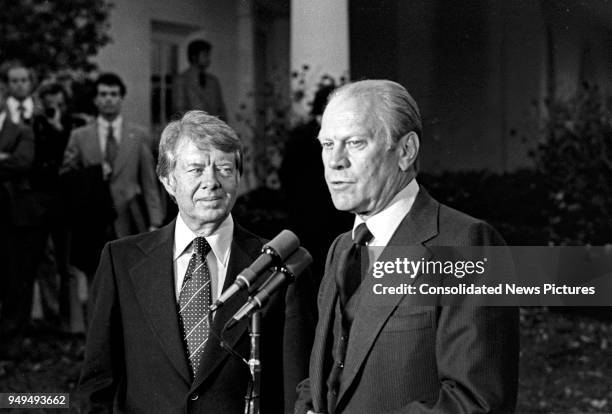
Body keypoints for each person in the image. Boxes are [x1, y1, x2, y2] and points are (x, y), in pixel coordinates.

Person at [295, 80, 519, 414]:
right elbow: (324, 376)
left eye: (355, 143)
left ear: (405, 151)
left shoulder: (466, 244)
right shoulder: (340, 248)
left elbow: (477, 402)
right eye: (327, 144)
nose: (335, 161)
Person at [79, 110, 316, 413]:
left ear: (239, 177)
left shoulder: (279, 266)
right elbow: (96, 387)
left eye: (225, 169)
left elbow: (297, 388)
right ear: (167, 180)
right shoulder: (120, 262)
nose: (212, 182)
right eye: (195, 170)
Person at [62, 72, 163, 239]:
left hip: (129, 218)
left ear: (121, 99)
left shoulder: (138, 135)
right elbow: (66, 176)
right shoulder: (79, 136)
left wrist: (155, 221)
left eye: (114, 94)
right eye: (103, 94)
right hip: (90, 219)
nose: (108, 99)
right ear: (95, 100)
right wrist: (93, 173)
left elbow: (149, 182)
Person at [0, 77, 39, 360]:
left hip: (12, 216)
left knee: (14, 277)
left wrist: (7, 160)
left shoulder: (21, 131)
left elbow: (22, 162)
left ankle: (11, 340)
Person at [172, 40, 227, 120]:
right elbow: (179, 110)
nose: (208, 59)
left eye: (208, 55)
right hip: (193, 130)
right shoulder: (181, 80)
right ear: (194, 57)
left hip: (214, 130)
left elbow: (221, 108)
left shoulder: (214, 81)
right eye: (205, 55)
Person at [2, 61, 38, 125]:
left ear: (31, 83)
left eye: (24, 80)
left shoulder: (43, 109)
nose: (20, 84)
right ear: (6, 85)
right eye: (14, 81)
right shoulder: (1, 110)